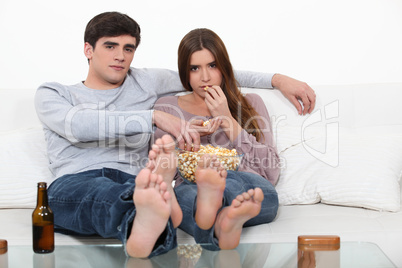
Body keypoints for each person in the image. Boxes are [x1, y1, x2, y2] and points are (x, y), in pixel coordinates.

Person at [34, 11, 315, 258]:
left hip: (138, 182)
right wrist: (154, 117)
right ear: (88, 49)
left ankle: (151, 226)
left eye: (128, 48)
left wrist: (277, 80)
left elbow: (212, 72)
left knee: (152, 197)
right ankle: (145, 221)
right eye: (110, 46)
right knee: (108, 194)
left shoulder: (144, 82)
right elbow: (78, 126)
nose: (120, 56)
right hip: (77, 181)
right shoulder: (55, 93)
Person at [153, 28, 282, 251]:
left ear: (224, 66)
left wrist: (228, 120)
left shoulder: (251, 103)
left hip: (244, 181)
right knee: (184, 196)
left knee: (266, 196)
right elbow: (161, 172)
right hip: (193, 185)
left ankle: (215, 215)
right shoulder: (168, 107)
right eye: (195, 68)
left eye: (212, 65)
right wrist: (184, 140)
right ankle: (222, 221)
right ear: (185, 72)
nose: (205, 77)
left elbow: (270, 172)